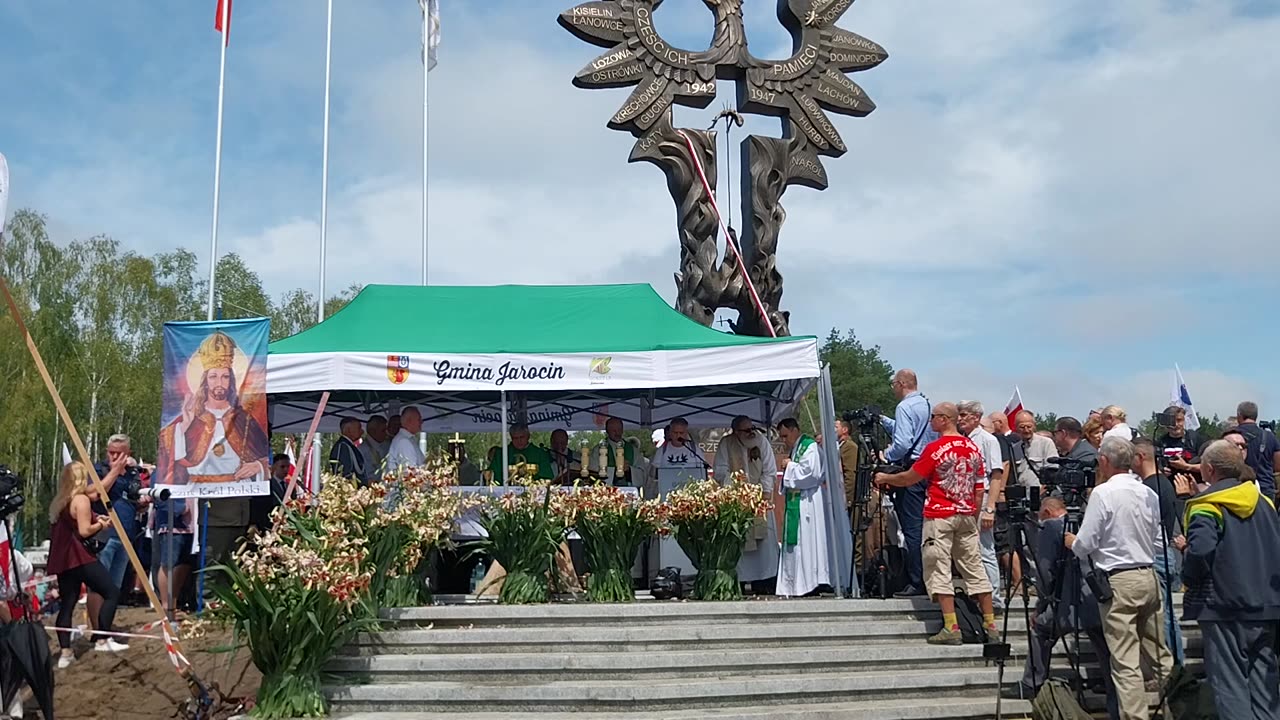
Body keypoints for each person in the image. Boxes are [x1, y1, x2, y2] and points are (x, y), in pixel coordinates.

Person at [1066, 437, 1172, 720]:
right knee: (1160, 654)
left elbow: (1086, 543)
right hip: (1147, 573)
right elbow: (1155, 536)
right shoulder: (1148, 493)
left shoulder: (1103, 493)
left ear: (1104, 461)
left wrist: (1072, 542)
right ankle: (1179, 708)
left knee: (1125, 661)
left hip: (1119, 578)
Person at [875, 403, 997, 645]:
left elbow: (911, 477)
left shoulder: (936, 448)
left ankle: (951, 626)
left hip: (940, 515)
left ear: (944, 419)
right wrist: (972, 513)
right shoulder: (972, 448)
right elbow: (979, 486)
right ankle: (990, 625)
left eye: (933, 417)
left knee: (938, 569)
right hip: (966, 514)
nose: (930, 421)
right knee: (974, 569)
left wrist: (885, 477)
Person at [1182, 439, 1280, 720]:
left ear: (1209, 469)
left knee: (1230, 687)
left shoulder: (1206, 505)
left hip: (1224, 605)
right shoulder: (1265, 503)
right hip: (1266, 606)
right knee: (1265, 687)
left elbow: (1200, 551)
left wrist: (1188, 572)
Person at [1019, 497, 1118, 719]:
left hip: (1069, 602)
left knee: (1041, 630)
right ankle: (1116, 706)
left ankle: (1032, 684)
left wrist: (1040, 606)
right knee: (1107, 653)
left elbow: (1046, 571)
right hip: (1099, 596)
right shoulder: (1086, 520)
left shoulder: (1050, 526)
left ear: (1045, 511)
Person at [156, 331, 270, 487]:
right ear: (205, 381)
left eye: (225, 377)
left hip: (236, 490)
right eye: (213, 376)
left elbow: (264, 457)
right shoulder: (193, 418)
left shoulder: (243, 419)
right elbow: (170, 458)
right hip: (198, 491)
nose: (219, 383)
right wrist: (183, 427)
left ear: (231, 380)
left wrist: (258, 466)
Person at [47, 462, 127, 668]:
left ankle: (65, 652)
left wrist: (114, 472)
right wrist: (101, 524)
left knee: (67, 604)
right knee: (111, 592)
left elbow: (95, 492)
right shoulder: (80, 499)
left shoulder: (60, 501)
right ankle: (102, 638)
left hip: (64, 560)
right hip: (79, 557)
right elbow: (84, 531)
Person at [879, 369, 938, 597]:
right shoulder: (926, 405)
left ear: (902, 383)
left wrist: (888, 455)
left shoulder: (904, 407)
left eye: (894, 383)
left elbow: (904, 443)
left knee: (912, 529)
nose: (893, 388)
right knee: (927, 527)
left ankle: (917, 581)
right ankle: (932, 576)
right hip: (929, 469)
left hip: (911, 470)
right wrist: (884, 421)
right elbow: (921, 435)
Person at [1131, 437, 1184, 665]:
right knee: (1166, 616)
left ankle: (1173, 667)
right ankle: (1174, 666)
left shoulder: (1150, 487)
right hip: (1164, 554)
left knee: (1164, 619)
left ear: (1140, 457)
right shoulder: (1163, 483)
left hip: (1157, 555)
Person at [714, 416, 778, 589]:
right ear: (736, 431)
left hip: (759, 498)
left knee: (764, 543)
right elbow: (720, 471)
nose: (751, 433)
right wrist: (736, 486)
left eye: (752, 429)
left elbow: (769, 469)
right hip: (737, 499)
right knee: (739, 541)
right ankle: (740, 581)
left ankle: (764, 580)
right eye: (746, 430)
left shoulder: (761, 441)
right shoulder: (726, 443)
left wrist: (764, 492)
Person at [87, 435, 137, 648]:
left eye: (120, 453)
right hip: (104, 535)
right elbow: (95, 493)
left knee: (114, 587)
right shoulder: (99, 469)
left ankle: (105, 628)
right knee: (99, 585)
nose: (114, 456)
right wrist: (115, 470)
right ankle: (97, 632)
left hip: (126, 534)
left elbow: (130, 497)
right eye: (111, 452)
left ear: (128, 453)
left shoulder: (132, 474)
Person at [776, 418, 832, 597]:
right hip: (797, 500)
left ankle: (809, 582)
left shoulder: (810, 446)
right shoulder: (797, 448)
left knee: (807, 543)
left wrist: (789, 466)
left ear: (794, 430)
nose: (784, 440)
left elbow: (811, 473)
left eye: (785, 435)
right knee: (799, 543)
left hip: (808, 501)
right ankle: (797, 583)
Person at [959, 402, 1006, 612]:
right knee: (970, 548)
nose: (960, 419)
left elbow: (996, 474)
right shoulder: (962, 440)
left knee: (986, 548)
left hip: (983, 495)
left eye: (964, 415)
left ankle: (994, 598)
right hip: (965, 497)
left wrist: (990, 507)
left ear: (976, 417)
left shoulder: (988, 440)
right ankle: (979, 593)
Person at [1233, 401, 1279, 502]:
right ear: (1256, 416)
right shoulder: (1270, 437)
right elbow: (1278, 466)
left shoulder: (1232, 435)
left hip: (1238, 488)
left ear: (1239, 415)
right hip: (1265, 488)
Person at [650, 418, 707, 485]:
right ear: (670, 433)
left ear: (686, 433)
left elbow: (703, 471)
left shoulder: (694, 449)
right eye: (675, 433)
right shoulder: (662, 450)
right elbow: (653, 474)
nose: (678, 436)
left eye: (681, 433)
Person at [488, 423, 554, 481]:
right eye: (515, 438)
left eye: (521, 437)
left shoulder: (540, 454)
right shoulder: (501, 454)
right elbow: (493, 475)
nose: (519, 441)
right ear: (511, 438)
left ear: (528, 436)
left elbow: (546, 477)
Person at [592, 418, 639, 486]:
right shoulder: (598, 450)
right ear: (607, 431)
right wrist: (614, 471)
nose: (617, 433)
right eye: (614, 430)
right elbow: (593, 471)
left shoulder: (633, 449)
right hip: (606, 489)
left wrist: (630, 470)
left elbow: (642, 472)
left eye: (619, 430)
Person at [328, 417, 369, 484]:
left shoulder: (349, 446)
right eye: (359, 428)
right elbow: (344, 474)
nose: (362, 431)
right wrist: (365, 482)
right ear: (348, 430)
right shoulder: (342, 447)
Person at [386, 406, 425, 471]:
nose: (421, 422)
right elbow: (410, 472)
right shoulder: (404, 442)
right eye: (419, 419)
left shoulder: (407, 439)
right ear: (409, 421)